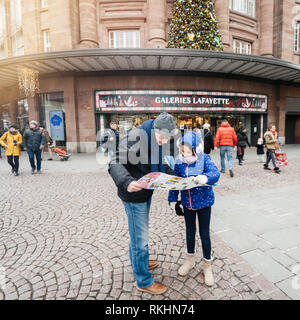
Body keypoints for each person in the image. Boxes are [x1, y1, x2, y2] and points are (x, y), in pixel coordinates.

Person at [108, 112, 177, 295]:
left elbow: (162, 166)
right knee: (140, 239)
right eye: (161, 137)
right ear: (154, 129)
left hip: (145, 192)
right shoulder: (136, 137)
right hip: (133, 193)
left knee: (139, 233)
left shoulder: (157, 139)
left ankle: (141, 262)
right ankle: (143, 280)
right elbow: (114, 161)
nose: (163, 141)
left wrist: (180, 178)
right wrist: (127, 182)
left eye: (167, 138)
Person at [168, 131, 220, 286]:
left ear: (195, 149)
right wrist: (173, 200)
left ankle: (207, 265)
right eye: (182, 150)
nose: (184, 153)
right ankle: (189, 260)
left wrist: (205, 178)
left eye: (187, 150)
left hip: (204, 202)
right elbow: (175, 182)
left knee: (204, 234)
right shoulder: (179, 162)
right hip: (187, 204)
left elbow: (215, 174)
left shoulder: (204, 158)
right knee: (190, 232)